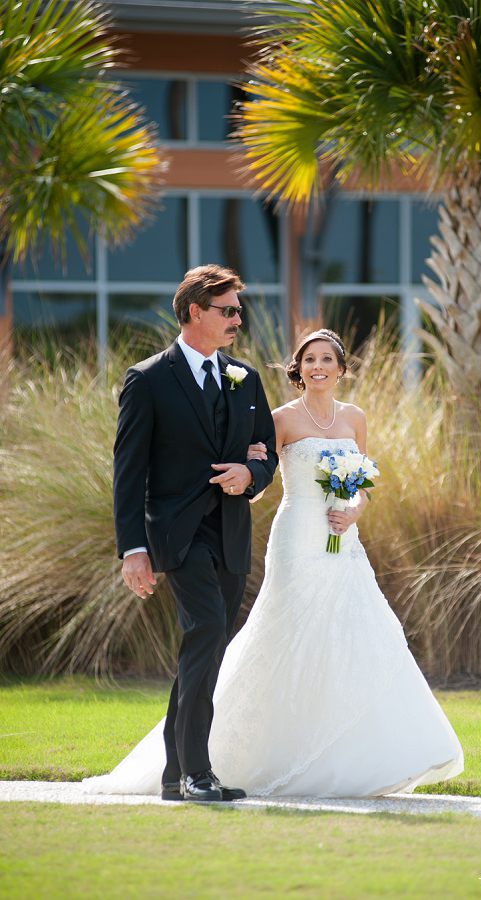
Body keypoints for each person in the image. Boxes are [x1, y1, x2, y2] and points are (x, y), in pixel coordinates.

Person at [84, 328, 463, 799]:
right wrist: (250, 472)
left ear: (341, 369)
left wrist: (355, 508)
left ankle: (355, 758)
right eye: (309, 360)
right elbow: (258, 482)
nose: (318, 367)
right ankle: (192, 761)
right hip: (296, 539)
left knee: (359, 634)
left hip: (343, 540)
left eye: (327, 359)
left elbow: (363, 479)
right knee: (279, 637)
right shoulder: (280, 418)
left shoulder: (355, 418)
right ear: (298, 369)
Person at [107, 264, 278, 804]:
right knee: (205, 629)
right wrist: (134, 550)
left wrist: (251, 473)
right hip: (178, 535)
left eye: (238, 311)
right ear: (193, 314)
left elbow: (267, 450)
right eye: (227, 310)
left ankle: (172, 773)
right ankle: (197, 773)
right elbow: (128, 471)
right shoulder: (148, 379)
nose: (236, 319)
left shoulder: (245, 379)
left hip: (230, 533)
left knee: (205, 647)